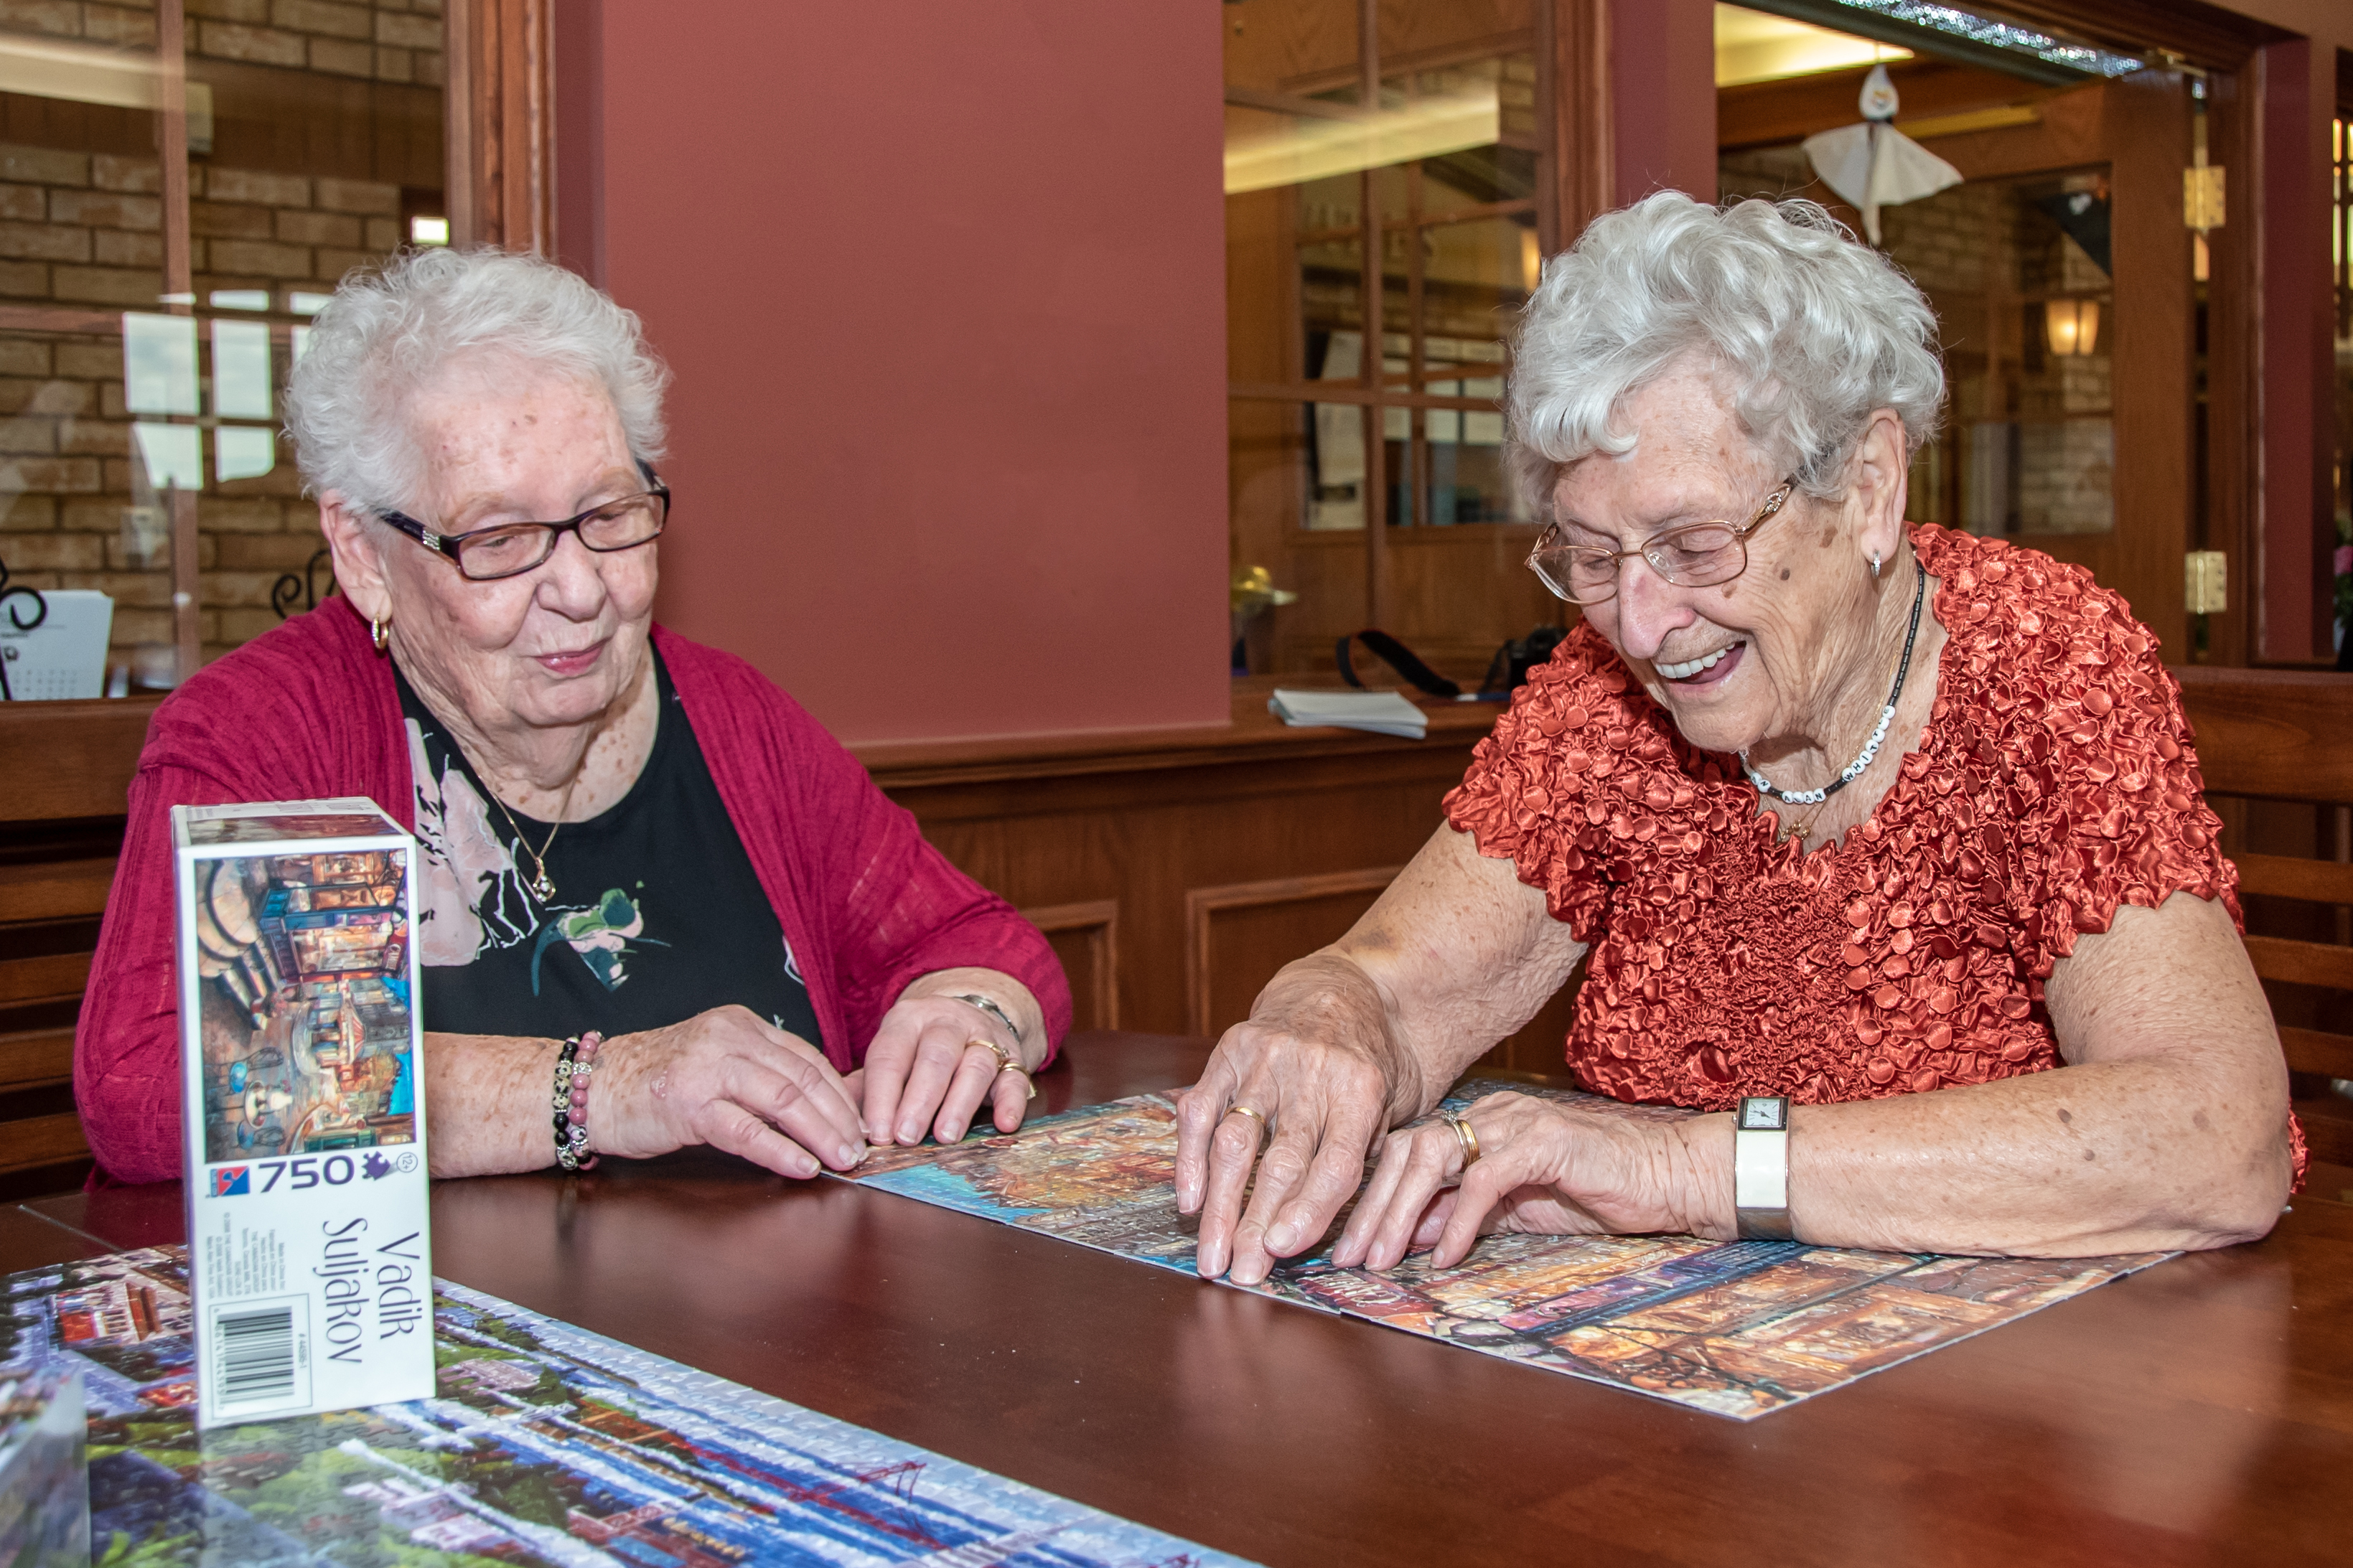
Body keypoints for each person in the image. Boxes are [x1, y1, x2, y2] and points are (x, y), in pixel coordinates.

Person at [1173, 193, 2302, 1285]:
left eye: (1692, 543)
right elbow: (1394, 991)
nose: (1642, 623)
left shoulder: (2044, 666)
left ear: (1865, 486)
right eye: (1592, 555)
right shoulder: (1600, 700)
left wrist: (1680, 1168)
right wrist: (1323, 1017)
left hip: (2004, 1418)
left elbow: (2210, 1136)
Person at [77, 247, 1069, 1183]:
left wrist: (966, 1015)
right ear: (365, 553)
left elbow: (975, 939)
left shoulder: (734, 720)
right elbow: (159, 1076)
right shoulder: (271, 733)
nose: (582, 588)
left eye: (608, 515)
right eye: (502, 537)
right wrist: (598, 1090)